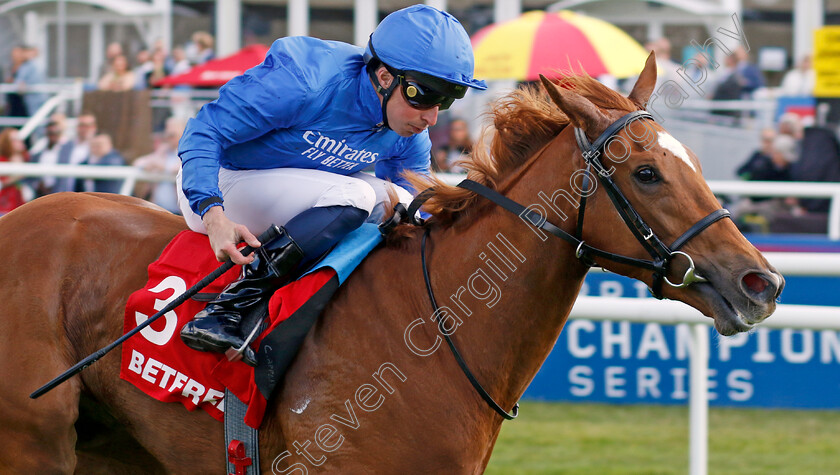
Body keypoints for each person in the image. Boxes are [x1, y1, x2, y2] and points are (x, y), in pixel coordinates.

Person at [176, 5, 486, 364]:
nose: (431, 116)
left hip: (294, 194)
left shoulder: (408, 129)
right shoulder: (307, 78)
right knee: (357, 195)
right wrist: (213, 216)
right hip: (222, 182)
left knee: (400, 201)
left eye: (446, 100)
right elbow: (203, 131)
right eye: (425, 95)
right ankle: (227, 308)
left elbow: (415, 202)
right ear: (384, 77)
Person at [134, 117, 186, 213]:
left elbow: (183, 168)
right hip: (159, 210)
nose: (169, 136)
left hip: (180, 212)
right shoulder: (163, 151)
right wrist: (150, 164)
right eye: (168, 133)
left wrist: (164, 167)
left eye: (173, 135)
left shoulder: (188, 151)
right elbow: (138, 163)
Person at [54, 113, 98, 193]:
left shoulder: (98, 147)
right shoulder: (65, 147)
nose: (84, 129)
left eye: (87, 126)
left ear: (94, 127)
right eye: (81, 125)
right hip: (65, 194)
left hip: (88, 195)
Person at [30, 118, 68, 196]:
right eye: (50, 133)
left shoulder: (66, 150)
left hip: (59, 192)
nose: (52, 136)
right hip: (40, 192)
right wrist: (38, 184)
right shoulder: (40, 150)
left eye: (55, 133)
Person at [0, 128, 31, 215]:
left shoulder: (28, 158)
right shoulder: (2, 161)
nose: (18, 142)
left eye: (19, 139)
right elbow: (2, 183)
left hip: (22, 205)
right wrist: (17, 176)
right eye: (14, 140)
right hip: (5, 205)